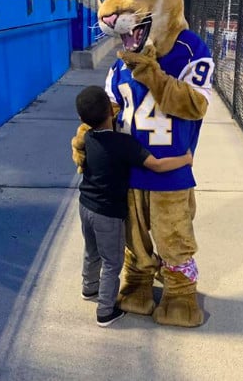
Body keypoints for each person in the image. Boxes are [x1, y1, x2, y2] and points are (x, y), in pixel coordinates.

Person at [74, 85, 193, 327]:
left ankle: (89, 288)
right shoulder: (123, 143)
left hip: (85, 205)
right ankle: (105, 311)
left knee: (92, 251)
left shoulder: (87, 137)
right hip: (107, 213)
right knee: (112, 262)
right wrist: (186, 159)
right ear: (111, 111)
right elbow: (157, 165)